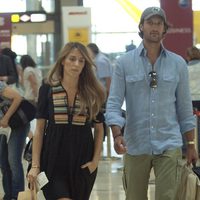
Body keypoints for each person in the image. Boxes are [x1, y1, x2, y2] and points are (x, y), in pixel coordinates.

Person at [105, 7, 198, 200]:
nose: (154, 27)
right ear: (141, 26)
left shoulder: (178, 63)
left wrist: (190, 144)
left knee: (168, 196)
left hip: (169, 143)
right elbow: (114, 103)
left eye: (159, 23)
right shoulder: (124, 63)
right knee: (135, 196)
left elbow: (184, 107)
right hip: (135, 143)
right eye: (150, 23)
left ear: (165, 29)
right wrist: (117, 135)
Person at [27, 42, 106, 200]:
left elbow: (99, 129)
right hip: (52, 160)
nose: (76, 64)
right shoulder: (47, 89)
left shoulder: (92, 93)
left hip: (83, 162)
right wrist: (35, 165)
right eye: (72, 59)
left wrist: (95, 161)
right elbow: (40, 130)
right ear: (63, 60)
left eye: (81, 61)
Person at [0, 81, 30, 200]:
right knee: (3, 162)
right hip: (4, 129)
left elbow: (18, 98)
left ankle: (17, 196)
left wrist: (6, 118)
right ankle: (8, 195)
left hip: (18, 125)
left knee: (13, 160)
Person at [87, 43, 112, 141]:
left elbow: (107, 79)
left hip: (102, 95)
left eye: (88, 51)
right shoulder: (98, 60)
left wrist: (107, 95)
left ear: (92, 51)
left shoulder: (100, 61)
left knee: (100, 118)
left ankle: (101, 139)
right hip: (99, 94)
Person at [20, 55, 42, 139]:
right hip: (34, 97)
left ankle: (32, 137)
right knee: (33, 119)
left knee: (27, 120)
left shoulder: (27, 70)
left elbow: (34, 84)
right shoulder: (36, 70)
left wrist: (37, 97)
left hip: (30, 98)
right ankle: (32, 137)